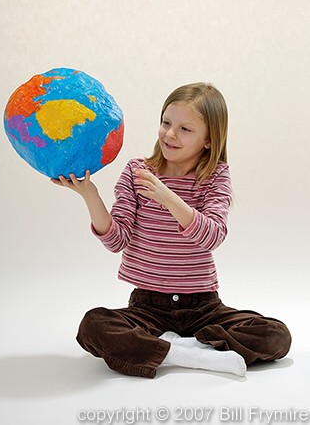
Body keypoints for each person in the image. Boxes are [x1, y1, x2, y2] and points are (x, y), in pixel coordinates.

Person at [51, 82, 291, 379]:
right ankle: (184, 355)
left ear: (208, 140)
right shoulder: (137, 171)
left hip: (204, 308)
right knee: (93, 326)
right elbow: (117, 240)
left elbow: (212, 235)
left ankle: (171, 348)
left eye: (185, 129)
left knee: (276, 335)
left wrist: (168, 198)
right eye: (166, 122)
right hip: (147, 306)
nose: (170, 134)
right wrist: (89, 194)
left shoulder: (215, 176)